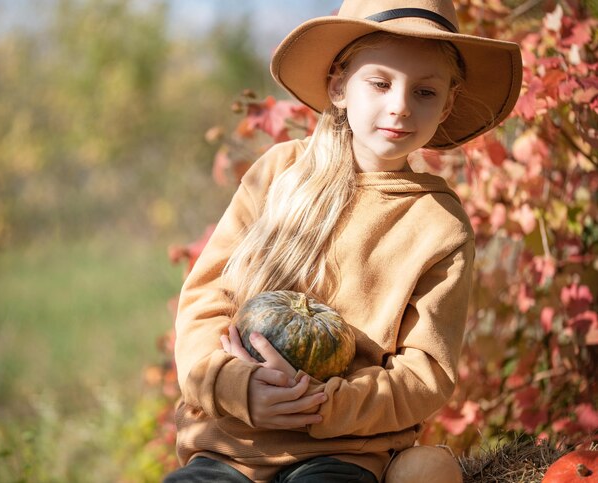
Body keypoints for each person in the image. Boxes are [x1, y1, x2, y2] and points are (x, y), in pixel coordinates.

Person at [164, 0, 522, 481]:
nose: (399, 105)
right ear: (339, 86)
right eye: (380, 83)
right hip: (231, 444)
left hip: (342, 453)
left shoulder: (439, 225)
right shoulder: (279, 173)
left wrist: (318, 406)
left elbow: (424, 374)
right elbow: (204, 302)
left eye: (424, 91)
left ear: (447, 104)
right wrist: (237, 386)